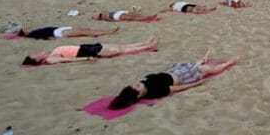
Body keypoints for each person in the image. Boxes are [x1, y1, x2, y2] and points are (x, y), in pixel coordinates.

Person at [108, 52, 240, 109]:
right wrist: (197, 84)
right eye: (135, 88)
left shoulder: (143, 83)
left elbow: (160, 74)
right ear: (138, 95)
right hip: (184, 77)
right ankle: (228, 63)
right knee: (208, 69)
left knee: (196, 64)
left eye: (132, 85)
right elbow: (176, 89)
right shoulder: (154, 91)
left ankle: (200, 61)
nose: (135, 84)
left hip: (173, 70)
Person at [22, 36, 158, 65]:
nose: (37, 53)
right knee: (120, 50)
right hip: (88, 52)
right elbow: (68, 59)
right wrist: (86, 59)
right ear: (37, 60)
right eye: (34, 55)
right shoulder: (50, 59)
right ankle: (147, 46)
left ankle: (145, 42)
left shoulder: (48, 54)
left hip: (86, 46)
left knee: (119, 46)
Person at [17, 25, 119, 39]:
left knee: (86, 29)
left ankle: (106, 30)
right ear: (25, 33)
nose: (28, 28)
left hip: (60, 29)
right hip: (59, 33)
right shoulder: (34, 34)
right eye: (25, 30)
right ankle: (108, 32)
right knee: (84, 33)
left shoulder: (36, 31)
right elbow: (46, 37)